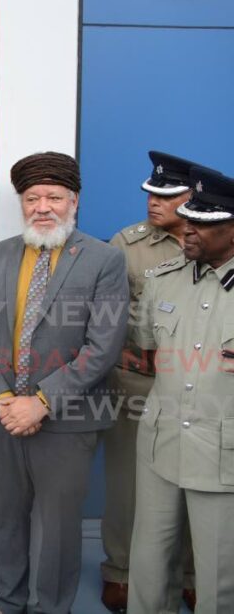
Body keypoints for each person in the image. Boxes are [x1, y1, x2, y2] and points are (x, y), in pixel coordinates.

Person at [0, 152, 128, 614]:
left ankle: (54, 607)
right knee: (8, 518)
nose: (43, 206)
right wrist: (2, 398)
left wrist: (40, 401)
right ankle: (8, 601)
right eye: (32, 197)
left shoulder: (104, 259)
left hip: (68, 418)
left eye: (54, 197)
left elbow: (104, 345)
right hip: (4, 417)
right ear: (22, 203)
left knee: (59, 527)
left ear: (73, 201)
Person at [128, 166, 234, 614]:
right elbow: (146, 353)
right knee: (149, 568)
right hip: (161, 445)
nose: (188, 230)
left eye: (203, 223)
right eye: (187, 218)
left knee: (218, 578)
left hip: (223, 452)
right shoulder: (163, 279)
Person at [100, 151, 197, 612]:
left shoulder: (221, 240)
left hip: (201, 386)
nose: (153, 203)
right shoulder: (128, 243)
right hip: (136, 381)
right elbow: (103, 311)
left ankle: (193, 573)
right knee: (129, 480)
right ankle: (121, 570)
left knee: (200, 478)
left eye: (166, 195)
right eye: (150, 194)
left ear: (195, 197)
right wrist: (118, 353)